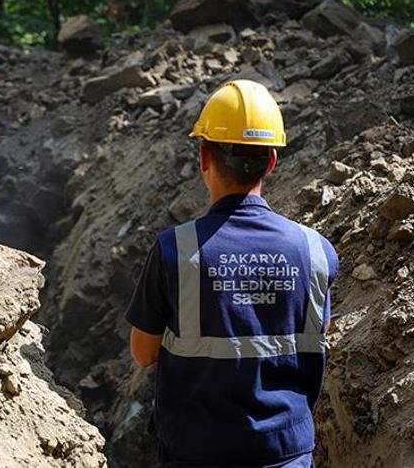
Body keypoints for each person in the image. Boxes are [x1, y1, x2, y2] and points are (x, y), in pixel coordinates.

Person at [124, 79, 339, 468]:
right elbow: (313, 335)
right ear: (271, 161)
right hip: (285, 452)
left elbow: (143, 353)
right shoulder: (316, 251)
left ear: (204, 157)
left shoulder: (176, 249)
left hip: (197, 452)